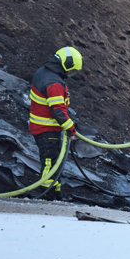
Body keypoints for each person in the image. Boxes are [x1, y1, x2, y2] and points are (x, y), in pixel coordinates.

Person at [29, 47, 83, 201]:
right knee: (49, 163)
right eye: (71, 70)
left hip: (42, 127)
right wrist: (71, 129)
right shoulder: (54, 83)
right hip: (47, 129)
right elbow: (58, 110)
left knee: (54, 163)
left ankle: (56, 194)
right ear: (65, 64)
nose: (69, 74)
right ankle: (48, 195)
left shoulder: (43, 73)